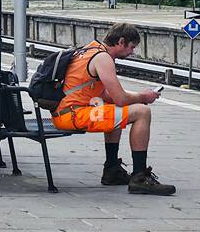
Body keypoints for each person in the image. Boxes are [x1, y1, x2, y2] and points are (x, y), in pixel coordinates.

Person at [51, 23, 174, 195]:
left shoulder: (90, 50)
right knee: (143, 112)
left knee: (114, 108)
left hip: (65, 112)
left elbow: (108, 96)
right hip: (73, 115)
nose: (132, 52)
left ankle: (112, 169)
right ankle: (139, 177)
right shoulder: (103, 58)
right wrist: (143, 98)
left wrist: (138, 96)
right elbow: (121, 98)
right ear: (121, 41)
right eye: (132, 47)